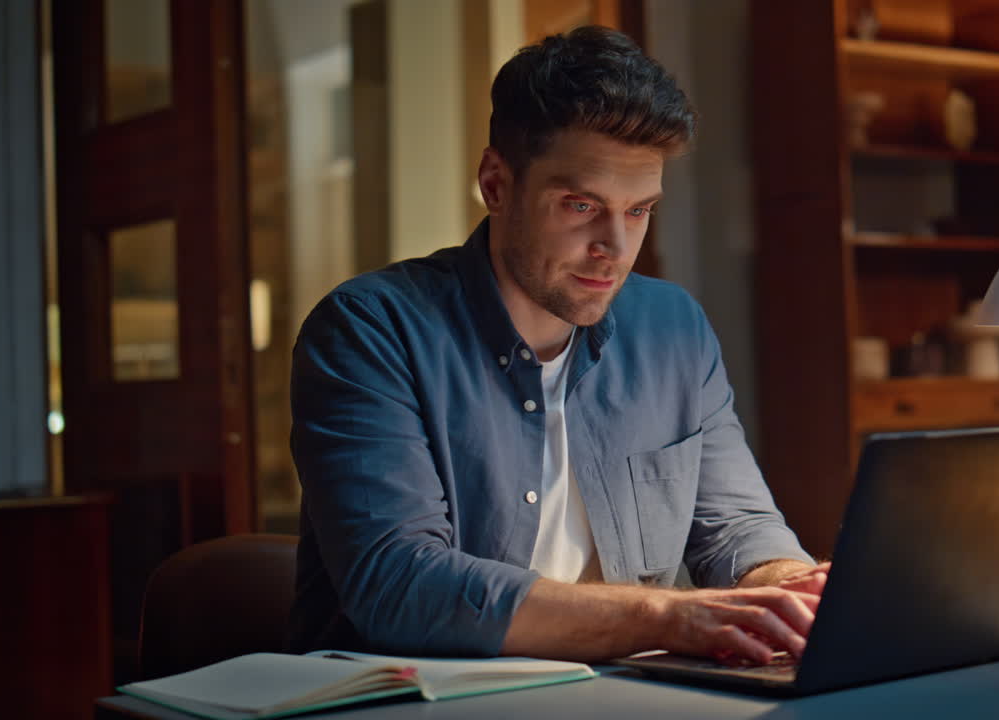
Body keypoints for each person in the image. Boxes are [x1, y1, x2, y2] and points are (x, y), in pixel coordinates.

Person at [287, 26, 828, 665]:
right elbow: (400, 587)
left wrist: (788, 590)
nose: (617, 249)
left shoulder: (673, 328)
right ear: (496, 183)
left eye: (639, 211)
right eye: (581, 205)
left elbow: (736, 528)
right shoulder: (368, 330)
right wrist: (673, 616)